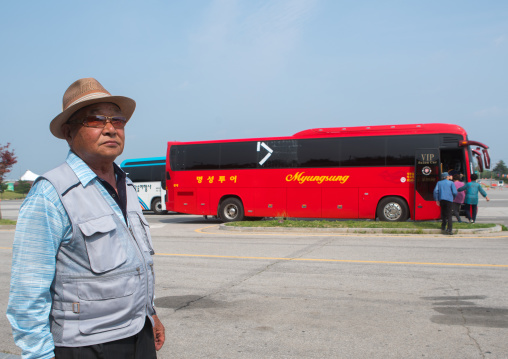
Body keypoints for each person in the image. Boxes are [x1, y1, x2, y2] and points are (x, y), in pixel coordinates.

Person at [7, 78, 165, 359]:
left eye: (117, 120)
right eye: (96, 120)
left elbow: (138, 262)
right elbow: (28, 293)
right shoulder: (51, 193)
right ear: (69, 133)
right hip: (85, 347)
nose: (110, 129)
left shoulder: (125, 184)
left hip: (137, 334)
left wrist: (149, 315)